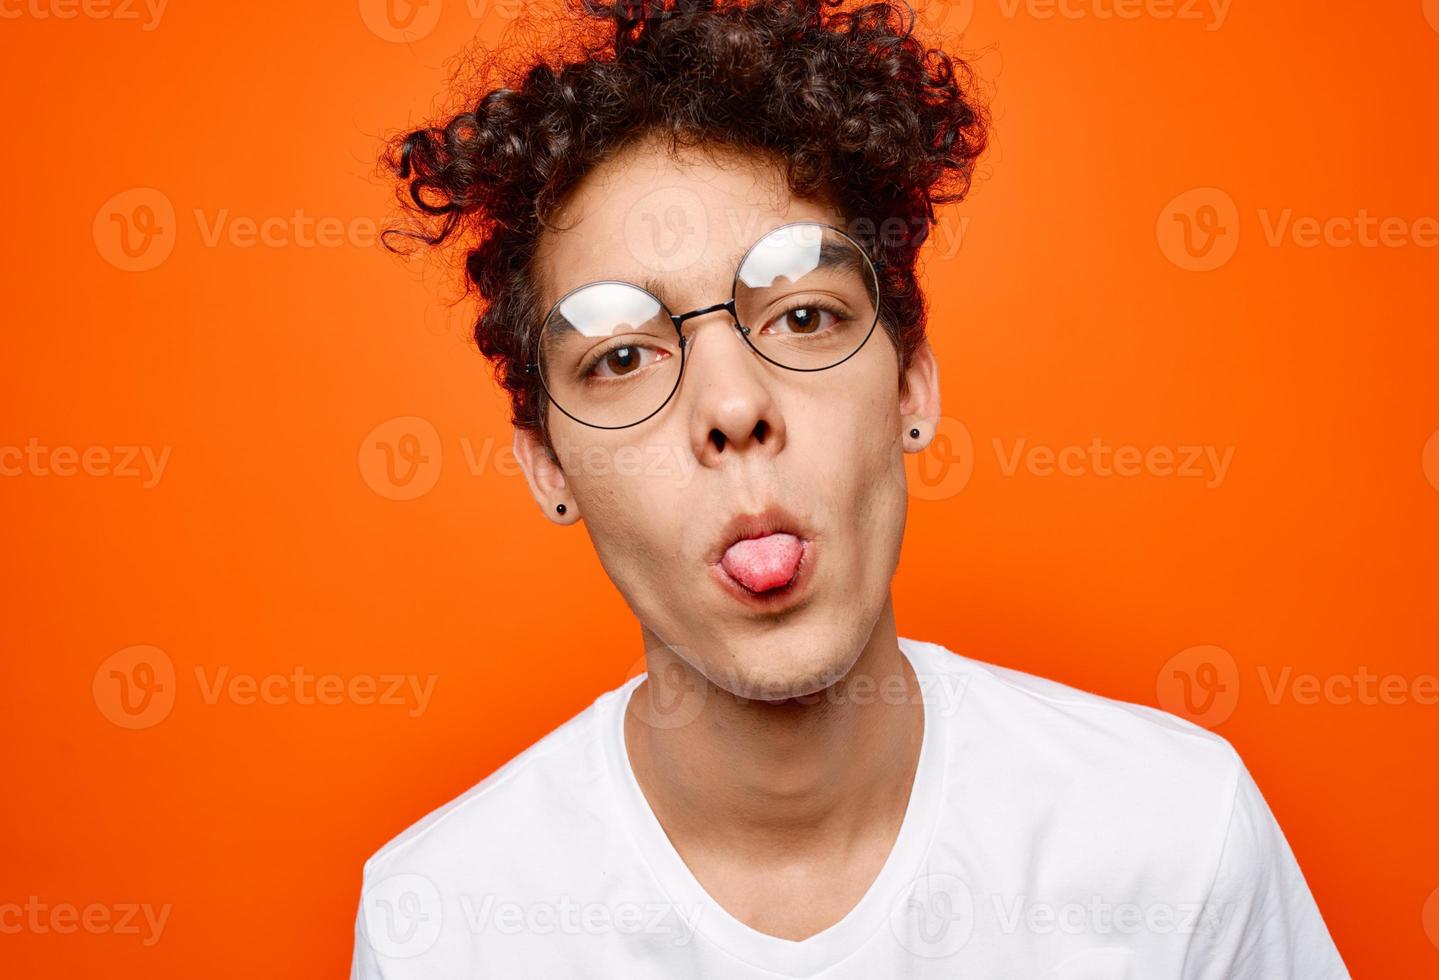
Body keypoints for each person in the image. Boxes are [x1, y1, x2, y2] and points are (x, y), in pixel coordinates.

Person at [351, 0, 1349, 975]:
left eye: (803, 317)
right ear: (550, 466)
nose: (732, 405)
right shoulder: (441, 927)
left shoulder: (1175, 836)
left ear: (911, 384)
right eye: (621, 357)